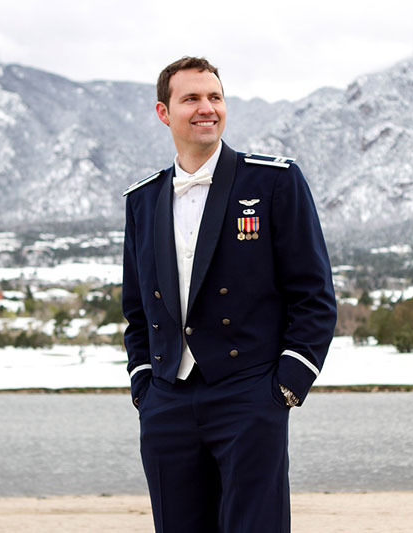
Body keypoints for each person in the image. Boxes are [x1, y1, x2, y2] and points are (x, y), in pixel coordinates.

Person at [121, 56, 337, 532]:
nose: (207, 108)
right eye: (192, 98)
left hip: (250, 395)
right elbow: (137, 308)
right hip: (167, 402)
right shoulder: (143, 200)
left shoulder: (274, 181)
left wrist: (285, 387)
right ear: (164, 112)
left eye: (215, 97)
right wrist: (144, 388)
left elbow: (314, 294)